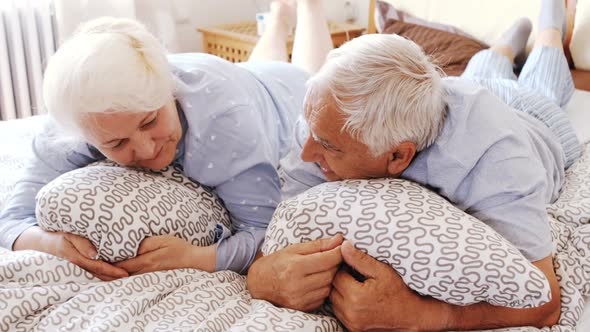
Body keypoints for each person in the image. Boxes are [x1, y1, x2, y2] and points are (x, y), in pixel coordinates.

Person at [247, 0, 581, 329]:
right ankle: (506, 47)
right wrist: (262, 276)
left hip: (535, 120)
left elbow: (545, 302)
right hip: (457, 91)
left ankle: (550, 29)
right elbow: (285, 223)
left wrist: (424, 315)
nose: (305, 154)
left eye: (328, 147)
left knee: (543, 85)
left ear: (398, 157)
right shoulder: (325, 122)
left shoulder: (500, 162)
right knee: (480, 71)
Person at [0, 0, 328, 280]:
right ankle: (279, 18)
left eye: (150, 120)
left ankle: (309, 7)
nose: (145, 150)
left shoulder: (226, 122)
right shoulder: (77, 121)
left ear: (169, 88)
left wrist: (198, 259)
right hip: (241, 77)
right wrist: (50, 243)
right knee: (256, 66)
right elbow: (11, 218)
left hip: (282, 96)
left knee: (310, 74)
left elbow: (268, 232)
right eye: (116, 144)